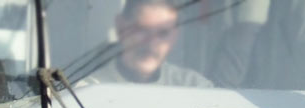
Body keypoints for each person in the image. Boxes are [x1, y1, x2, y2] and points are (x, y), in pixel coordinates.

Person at [79, 0, 213, 86]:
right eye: (141, 29)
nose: (151, 43)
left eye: (163, 33)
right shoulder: (89, 90)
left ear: (174, 36)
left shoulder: (195, 88)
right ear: (120, 27)